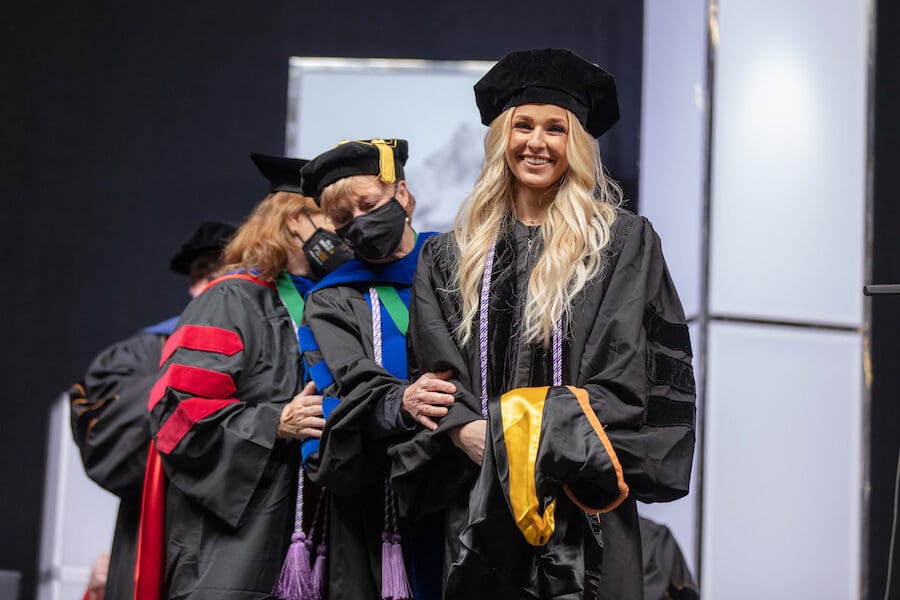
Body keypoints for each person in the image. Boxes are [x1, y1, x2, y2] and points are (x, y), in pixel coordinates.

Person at [389, 48, 697, 600]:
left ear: (575, 144)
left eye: (556, 128)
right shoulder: (450, 255)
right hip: (481, 504)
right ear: (500, 137)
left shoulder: (622, 243)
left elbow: (626, 376)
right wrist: (464, 430)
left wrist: (520, 443)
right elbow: (437, 370)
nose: (537, 142)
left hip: (586, 504)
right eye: (522, 125)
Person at [139, 153, 350, 599]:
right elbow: (178, 417)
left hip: (322, 539)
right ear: (295, 221)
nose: (346, 233)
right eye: (336, 218)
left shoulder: (338, 307)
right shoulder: (232, 301)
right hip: (233, 547)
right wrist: (276, 422)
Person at [298, 139, 455, 600]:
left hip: (473, 482)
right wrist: (400, 402)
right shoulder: (331, 301)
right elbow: (347, 390)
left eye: (369, 205)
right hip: (387, 495)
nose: (359, 224)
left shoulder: (462, 265)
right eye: (343, 220)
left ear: (402, 194)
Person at [70, 220, 235, 600]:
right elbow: (106, 446)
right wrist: (195, 388)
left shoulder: (275, 344)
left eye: (225, 271)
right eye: (204, 273)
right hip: (155, 540)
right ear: (192, 284)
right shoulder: (140, 355)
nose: (213, 283)